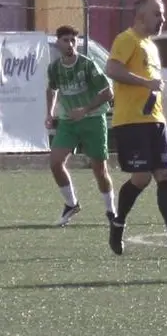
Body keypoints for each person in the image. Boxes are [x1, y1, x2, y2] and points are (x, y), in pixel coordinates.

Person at [103, 0, 167, 255]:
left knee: (166, 175)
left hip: (155, 121)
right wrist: (146, 83)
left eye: (162, 14)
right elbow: (112, 69)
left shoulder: (151, 46)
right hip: (131, 121)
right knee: (142, 178)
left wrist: (153, 89)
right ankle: (118, 223)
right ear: (140, 16)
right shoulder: (127, 39)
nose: (162, 19)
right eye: (157, 13)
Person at [45, 25, 116, 225]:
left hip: (93, 120)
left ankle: (111, 211)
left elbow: (108, 93)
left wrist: (84, 110)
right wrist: (49, 113)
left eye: (73, 40)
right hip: (68, 123)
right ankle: (71, 204)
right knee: (55, 162)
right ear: (58, 43)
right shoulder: (54, 68)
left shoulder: (87, 65)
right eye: (65, 40)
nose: (70, 44)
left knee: (99, 170)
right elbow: (52, 89)